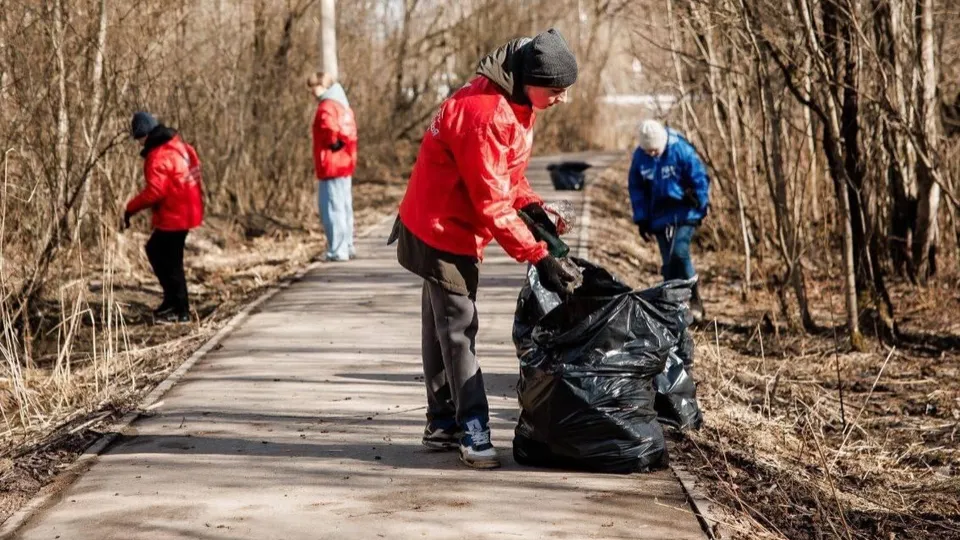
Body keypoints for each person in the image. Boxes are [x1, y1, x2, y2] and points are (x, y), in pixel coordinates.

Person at [389, 28, 580, 469]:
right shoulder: (488, 113)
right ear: (531, 78)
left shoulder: (515, 99)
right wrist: (539, 256)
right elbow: (492, 202)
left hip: (434, 218)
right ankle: (472, 430)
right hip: (441, 228)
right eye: (556, 90)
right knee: (459, 328)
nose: (562, 99)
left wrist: (535, 212)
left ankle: (441, 423)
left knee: (441, 325)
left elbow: (505, 177)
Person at [123, 111, 204, 324]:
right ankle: (173, 303)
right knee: (160, 253)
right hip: (188, 211)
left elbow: (155, 191)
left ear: (145, 135)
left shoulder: (157, 156)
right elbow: (195, 169)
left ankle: (181, 310)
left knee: (167, 259)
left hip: (175, 215)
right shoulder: (180, 147)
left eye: (139, 138)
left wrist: (129, 208)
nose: (139, 143)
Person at [628, 119, 710, 321]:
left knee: (679, 253)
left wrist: (700, 200)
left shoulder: (679, 148)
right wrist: (642, 219)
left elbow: (699, 175)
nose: (652, 154)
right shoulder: (640, 157)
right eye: (649, 151)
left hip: (684, 211)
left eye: (655, 150)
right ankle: (671, 308)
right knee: (668, 263)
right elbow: (637, 190)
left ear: (662, 143)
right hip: (659, 215)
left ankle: (694, 297)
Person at [308, 72, 358, 262]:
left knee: (331, 208)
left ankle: (337, 250)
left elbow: (328, 127)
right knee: (345, 206)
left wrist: (332, 142)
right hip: (345, 163)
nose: (312, 92)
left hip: (331, 164)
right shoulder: (343, 104)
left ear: (322, 86)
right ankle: (347, 245)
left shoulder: (326, 106)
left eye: (314, 87)